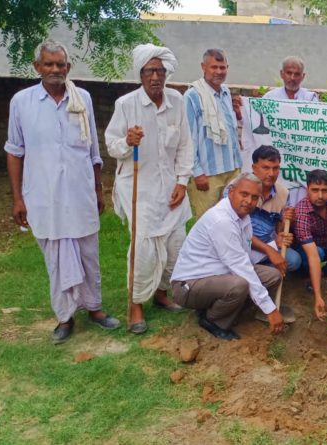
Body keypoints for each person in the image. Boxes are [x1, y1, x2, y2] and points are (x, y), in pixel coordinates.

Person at [4, 39, 120, 344]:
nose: (55, 70)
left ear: (68, 67)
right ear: (37, 67)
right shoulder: (22, 102)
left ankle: (94, 308)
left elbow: (93, 150)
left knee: (88, 254)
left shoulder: (82, 99)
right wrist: (17, 198)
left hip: (80, 192)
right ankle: (65, 317)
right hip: (43, 197)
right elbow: (15, 151)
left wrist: (98, 191)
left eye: (60, 64)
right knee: (55, 257)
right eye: (49, 64)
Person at [105, 44, 192, 334]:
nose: (155, 76)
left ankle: (162, 293)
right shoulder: (126, 105)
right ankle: (136, 304)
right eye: (149, 71)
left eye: (160, 70)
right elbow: (112, 146)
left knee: (175, 244)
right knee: (143, 249)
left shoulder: (176, 101)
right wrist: (128, 141)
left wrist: (182, 181)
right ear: (140, 74)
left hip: (171, 187)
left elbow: (184, 145)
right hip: (139, 189)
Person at [171, 173, 284, 339]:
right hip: (188, 285)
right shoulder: (222, 220)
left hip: (219, 275)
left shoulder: (242, 217)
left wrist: (273, 249)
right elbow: (241, 267)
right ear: (231, 192)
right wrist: (271, 309)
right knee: (239, 284)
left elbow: (245, 256)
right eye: (243, 194)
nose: (248, 201)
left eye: (254, 197)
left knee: (272, 276)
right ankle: (213, 320)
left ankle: (218, 308)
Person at [184, 48, 242, 218]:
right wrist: (197, 172)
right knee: (207, 223)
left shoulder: (226, 92)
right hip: (208, 175)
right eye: (214, 67)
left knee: (232, 219)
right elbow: (187, 138)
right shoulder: (192, 96)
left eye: (222, 67)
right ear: (203, 67)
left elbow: (229, 129)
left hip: (232, 170)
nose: (218, 72)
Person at [293, 169, 327, 320]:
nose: (320, 195)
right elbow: (313, 256)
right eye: (315, 190)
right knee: (317, 253)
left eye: (324, 190)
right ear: (307, 189)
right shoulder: (302, 212)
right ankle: (309, 278)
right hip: (307, 251)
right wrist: (318, 297)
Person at [262, 56, 318, 205]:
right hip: (277, 159)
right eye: (288, 73)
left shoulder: (310, 99)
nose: (292, 78)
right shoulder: (269, 98)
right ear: (282, 74)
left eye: (297, 74)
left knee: (299, 208)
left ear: (303, 76)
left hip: (301, 161)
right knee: (276, 208)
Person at [248, 145, 303, 275]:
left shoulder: (283, 192)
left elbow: (279, 230)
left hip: (268, 243)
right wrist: (269, 250)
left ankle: (260, 271)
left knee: (294, 260)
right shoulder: (239, 188)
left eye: (275, 168)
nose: (271, 174)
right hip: (240, 242)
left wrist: (285, 224)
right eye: (266, 168)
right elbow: (236, 230)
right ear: (254, 168)